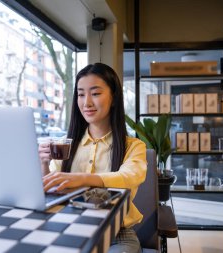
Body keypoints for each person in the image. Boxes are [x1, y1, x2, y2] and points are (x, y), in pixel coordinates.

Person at [39, 62, 146, 253]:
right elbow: (51, 188)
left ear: (113, 98)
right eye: (81, 94)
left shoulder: (134, 146)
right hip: (68, 226)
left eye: (95, 94)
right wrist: (44, 164)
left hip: (118, 235)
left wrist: (81, 178)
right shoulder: (64, 144)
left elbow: (129, 178)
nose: (86, 102)